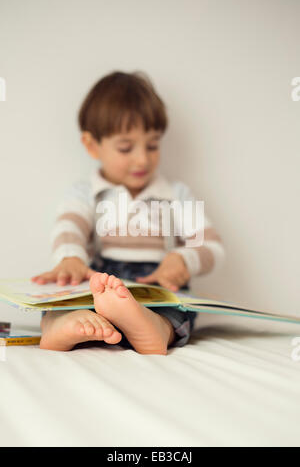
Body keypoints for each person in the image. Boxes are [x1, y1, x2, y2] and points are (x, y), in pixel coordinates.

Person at [32, 70, 225, 354]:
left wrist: (183, 260)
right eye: (125, 147)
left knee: (178, 306)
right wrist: (70, 257)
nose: (142, 159)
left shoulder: (176, 194)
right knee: (61, 300)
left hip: (156, 283)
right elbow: (68, 226)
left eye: (152, 145)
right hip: (100, 278)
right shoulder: (87, 193)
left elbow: (212, 246)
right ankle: (60, 325)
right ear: (92, 145)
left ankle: (154, 327)